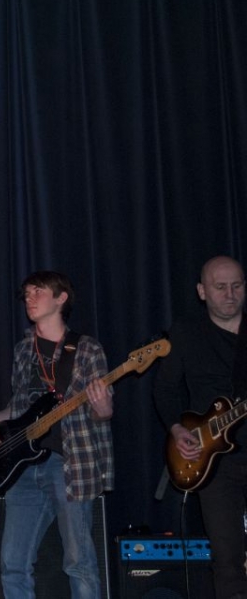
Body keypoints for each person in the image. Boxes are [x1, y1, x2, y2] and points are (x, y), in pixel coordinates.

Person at [0, 270, 113, 599]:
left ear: (61, 298)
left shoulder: (86, 349)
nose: (30, 298)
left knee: (79, 562)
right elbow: (21, 406)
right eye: (26, 293)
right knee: (12, 564)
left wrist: (104, 407)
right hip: (24, 467)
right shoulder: (24, 350)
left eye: (38, 291)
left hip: (70, 465)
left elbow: (102, 412)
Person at [154, 255, 247, 599]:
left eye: (236, 286)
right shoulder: (186, 332)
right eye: (220, 287)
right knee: (226, 558)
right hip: (214, 461)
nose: (230, 294)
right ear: (202, 291)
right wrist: (177, 429)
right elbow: (165, 389)